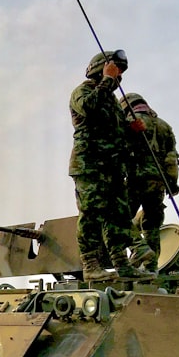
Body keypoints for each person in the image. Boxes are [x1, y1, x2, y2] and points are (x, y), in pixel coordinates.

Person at [68, 49, 148, 281]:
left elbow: (115, 133)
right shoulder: (83, 91)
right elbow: (88, 108)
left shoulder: (112, 101)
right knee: (91, 215)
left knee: (119, 217)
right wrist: (107, 80)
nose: (118, 76)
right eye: (115, 70)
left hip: (112, 168)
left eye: (119, 72)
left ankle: (122, 264)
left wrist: (131, 130)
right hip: (89, 165)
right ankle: (91, 265)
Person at [121, 92, 179, 273]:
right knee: (152, 225)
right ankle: (151, 268)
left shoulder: (129, 123)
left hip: (136, 179)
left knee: (120, 219)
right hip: (158, 183)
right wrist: (172, 183)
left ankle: (138, 250)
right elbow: (171, 158)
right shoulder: (164, 126)